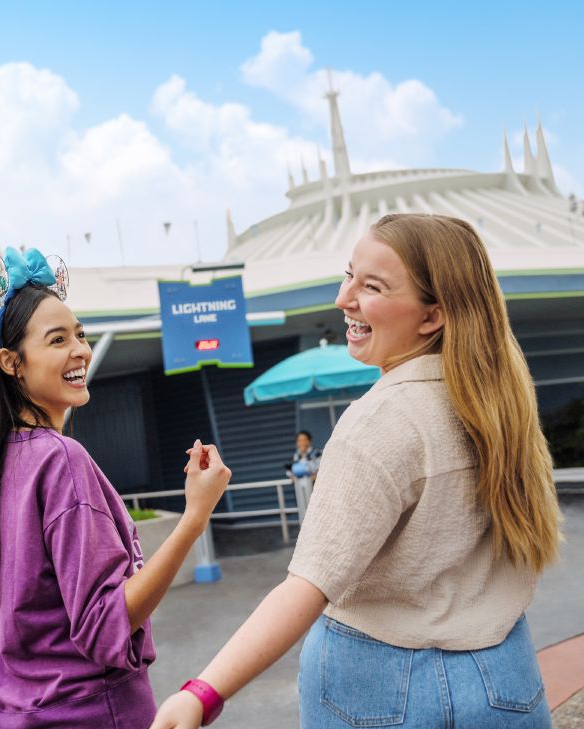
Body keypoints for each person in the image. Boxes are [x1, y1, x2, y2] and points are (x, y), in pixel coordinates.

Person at [151, 213, 562, 728]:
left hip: (377, 684)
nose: (343, 299)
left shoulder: (380, 419)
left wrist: (202, 693)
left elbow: (307, 587)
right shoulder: (501, 410)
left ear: (432, 316)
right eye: (350, 275)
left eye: (371, 286)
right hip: (505, 673)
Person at [0, 247, 231, 728]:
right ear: (10, 362)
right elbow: (105, 622)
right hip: (92, 713)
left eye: (80, 335)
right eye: (57, 340)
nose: (80, 350)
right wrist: (194, 516)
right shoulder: (59, 458)